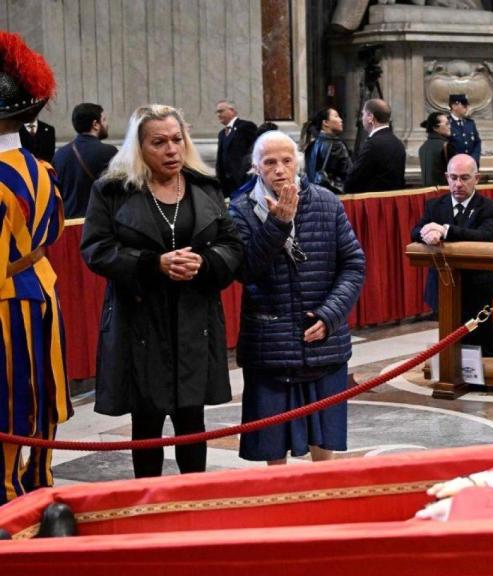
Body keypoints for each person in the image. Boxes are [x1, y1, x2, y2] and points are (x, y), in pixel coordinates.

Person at [80, 104, 243, 478]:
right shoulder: (112, 191)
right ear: (139, 147)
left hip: (193, 318)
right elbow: (96, 249)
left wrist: (205, 262)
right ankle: (148, 503)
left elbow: (232, 246)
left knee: (192, 420)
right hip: (140, 319)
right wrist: (153, 264)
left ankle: (194, 501)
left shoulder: (205, 186)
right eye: (159, 142)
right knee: (147, 422)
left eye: (176, 139)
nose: (171, 149)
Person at [229, 131, 366, 464]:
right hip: (271, 344)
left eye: (286, 161)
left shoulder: (326, 202)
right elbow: (245, 270)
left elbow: (353, 264)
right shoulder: (239, 210)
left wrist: (330, 315)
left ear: (298, 164)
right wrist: (277, 223)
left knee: (325, 439)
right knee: (273, 446)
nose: (279, 169)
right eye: (270, 162)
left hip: (323, 339)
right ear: (255, 167)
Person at [0, 31, 70, 504]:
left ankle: (6, 493)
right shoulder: (42, 168)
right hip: (41, 289)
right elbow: (57, 231)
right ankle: (40, 481)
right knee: (39, 392)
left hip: (4, 301)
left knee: (7, 400)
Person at [411, 154, 493, 356]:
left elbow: (485, 236)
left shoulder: (490, 208)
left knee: (481, 343)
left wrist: (445, 230)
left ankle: (482, 381)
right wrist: (427, 233)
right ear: (446, 177)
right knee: (449, 341)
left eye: (464, 178)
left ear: (477, 178)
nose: (458, 184)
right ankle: (450, 377)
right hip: (444, 286)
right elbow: (415, 231)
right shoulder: (435, 205)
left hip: (478, 288)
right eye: (453, 178)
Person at [52, 102, 118, 218]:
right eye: (104, 120)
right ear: (95, 124)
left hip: (69, 227)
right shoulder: (109, 152)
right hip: (98, 223)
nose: (107, 124)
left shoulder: (59, 155)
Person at [344, 98, 406, 193]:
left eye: (363, 114)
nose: (361, 118)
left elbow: (354, 178)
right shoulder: (398, 143)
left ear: (370, 117)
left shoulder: (372, 144)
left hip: (374, 203)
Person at [214, 99, 258, 198]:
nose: (218, 115)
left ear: (232, 111)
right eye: (217, 112)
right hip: (227, 185)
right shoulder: (221, 134)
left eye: (221, 111)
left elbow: (256, 148)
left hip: (243, 181)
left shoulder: (246, 126)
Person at [304, 107, 351, 194]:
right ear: (325, 123)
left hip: (313, 194)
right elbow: (349, 174)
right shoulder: (337, 145)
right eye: (336, 116)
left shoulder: (311, 145)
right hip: (332, 195)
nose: (341, 120)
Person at [447, 93, 481, 166]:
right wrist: (461, 161)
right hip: (456, 165)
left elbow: (477, 142)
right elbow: (447, 146)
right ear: (454, 106)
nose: (467, 108)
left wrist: (473, 159)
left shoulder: (470, 123)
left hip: (471, 164)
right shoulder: (447, 123)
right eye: (464, 105)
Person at [418, 111, 450, 187]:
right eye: (447, 124)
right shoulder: (446, 146)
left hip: (428, 194)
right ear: (435, 128)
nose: (450, 126)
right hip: (442, 194)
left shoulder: (422, 147)